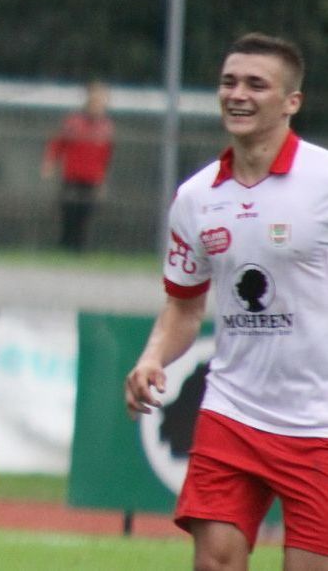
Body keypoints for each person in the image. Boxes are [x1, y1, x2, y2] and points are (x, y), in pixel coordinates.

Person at [124, 33, 328, 570]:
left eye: (256, 84)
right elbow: (184, 307)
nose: (237, 94)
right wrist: (152, 357)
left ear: (291, 102)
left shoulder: (322, 181)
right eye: (228, 82)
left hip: (320, 424)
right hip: (232, 411)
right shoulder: (197, 198)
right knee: (214, 562)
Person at [41, 80, 114, 252]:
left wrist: (101, 180)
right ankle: (65, 246)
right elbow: (58, 144)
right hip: (72, 176)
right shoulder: (74, 122)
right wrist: (50, 163)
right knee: (69, 211)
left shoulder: (105, 127)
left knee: (86, 214)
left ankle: (79, 249)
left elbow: (105, 157)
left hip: (92, 179)